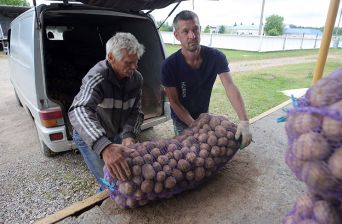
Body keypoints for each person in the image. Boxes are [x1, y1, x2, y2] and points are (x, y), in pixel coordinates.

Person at [161, 10, 252, 149]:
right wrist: (195, 126)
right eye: (185, 31)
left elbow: (230, 86)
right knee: (187, 151)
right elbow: (174, 102)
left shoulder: (216, 57)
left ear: (200, 30)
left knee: (205, 149)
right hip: (181, 118)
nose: (192, 36)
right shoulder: (169, 66)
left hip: (203, 114)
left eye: (195, 29)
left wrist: (244, 121)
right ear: (176, 35)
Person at [68, 32, 145, 189]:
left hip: (113, 132)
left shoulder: (136, 79)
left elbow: (136, 111)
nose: (134, 68)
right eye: (128, 63)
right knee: (109, 179)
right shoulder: (98, 77)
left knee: (124, 175)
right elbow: (78, 109)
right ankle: (105, 200)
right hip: (89, 135)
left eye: (136, 62)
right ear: (110, 58)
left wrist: (129, 134)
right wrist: (103, 146)